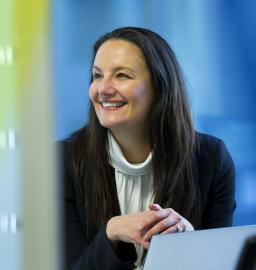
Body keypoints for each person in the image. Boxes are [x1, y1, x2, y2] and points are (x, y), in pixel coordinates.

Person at [60, 27, 236, 270]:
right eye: (97, 75)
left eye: (122, 75)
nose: (103, 89)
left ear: (159, 86)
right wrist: (112, 232)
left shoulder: (210, 158)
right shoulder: (63, 161)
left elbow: (223, 264)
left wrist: (193, 243)